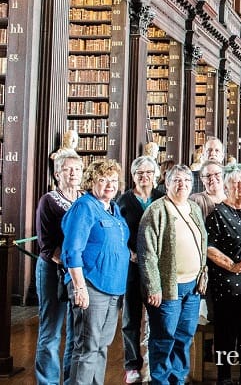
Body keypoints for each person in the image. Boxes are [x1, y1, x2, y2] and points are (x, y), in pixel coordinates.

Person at [61, 159, 130, 385]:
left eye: (112, 180)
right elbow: (72, 250)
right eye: (102, 180)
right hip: (91, 286)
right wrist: (80, 288)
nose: (109, 185)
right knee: (87, 347)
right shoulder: (84, 207)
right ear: (91, 182)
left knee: (102, 346)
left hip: (113, 287)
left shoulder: (113, 208)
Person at [138, 164, 207, 385]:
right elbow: (147, 253)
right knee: (163, 338)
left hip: (193, 287)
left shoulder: (194, 208)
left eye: (187, 181)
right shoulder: (156, 211)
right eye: (177, 180)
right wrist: (153, 287)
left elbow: (202, 243)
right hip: (168, 287)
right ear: (167, 184)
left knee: (184, 337)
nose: (182, 185)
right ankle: (160, 380)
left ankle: (178, 379)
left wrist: (202, 274)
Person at [35, 149, 83, 384]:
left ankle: (70, 379)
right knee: (51, 330)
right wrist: (71, 265)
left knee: (76, 332)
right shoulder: (48, 201)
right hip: (53, 271)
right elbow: (46, 244)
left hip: (78, 275)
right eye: (67, 169)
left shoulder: (85, 198)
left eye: (77, 169)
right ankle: (48, 381)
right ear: (57, 174)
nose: (73, 173)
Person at [205, 164, 241, 385]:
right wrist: (232, 265)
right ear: (225, 186)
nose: (240, 186)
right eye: (235, 182)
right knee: (226, 335)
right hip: (227, 282)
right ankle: (223, 378)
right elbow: (209, 247)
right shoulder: (217, 213)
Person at [117, 156, 165, 384]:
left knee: (158, 316)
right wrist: (128, 253)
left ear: (156, 175)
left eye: (148, 172)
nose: (144, 177)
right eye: (139, 173)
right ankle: (132, 365)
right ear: (133, 176)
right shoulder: (124, 200)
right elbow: (117, 233)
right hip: (133, 267)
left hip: (156, 267)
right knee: (131, 317)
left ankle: (155, 362)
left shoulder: (162, 197)